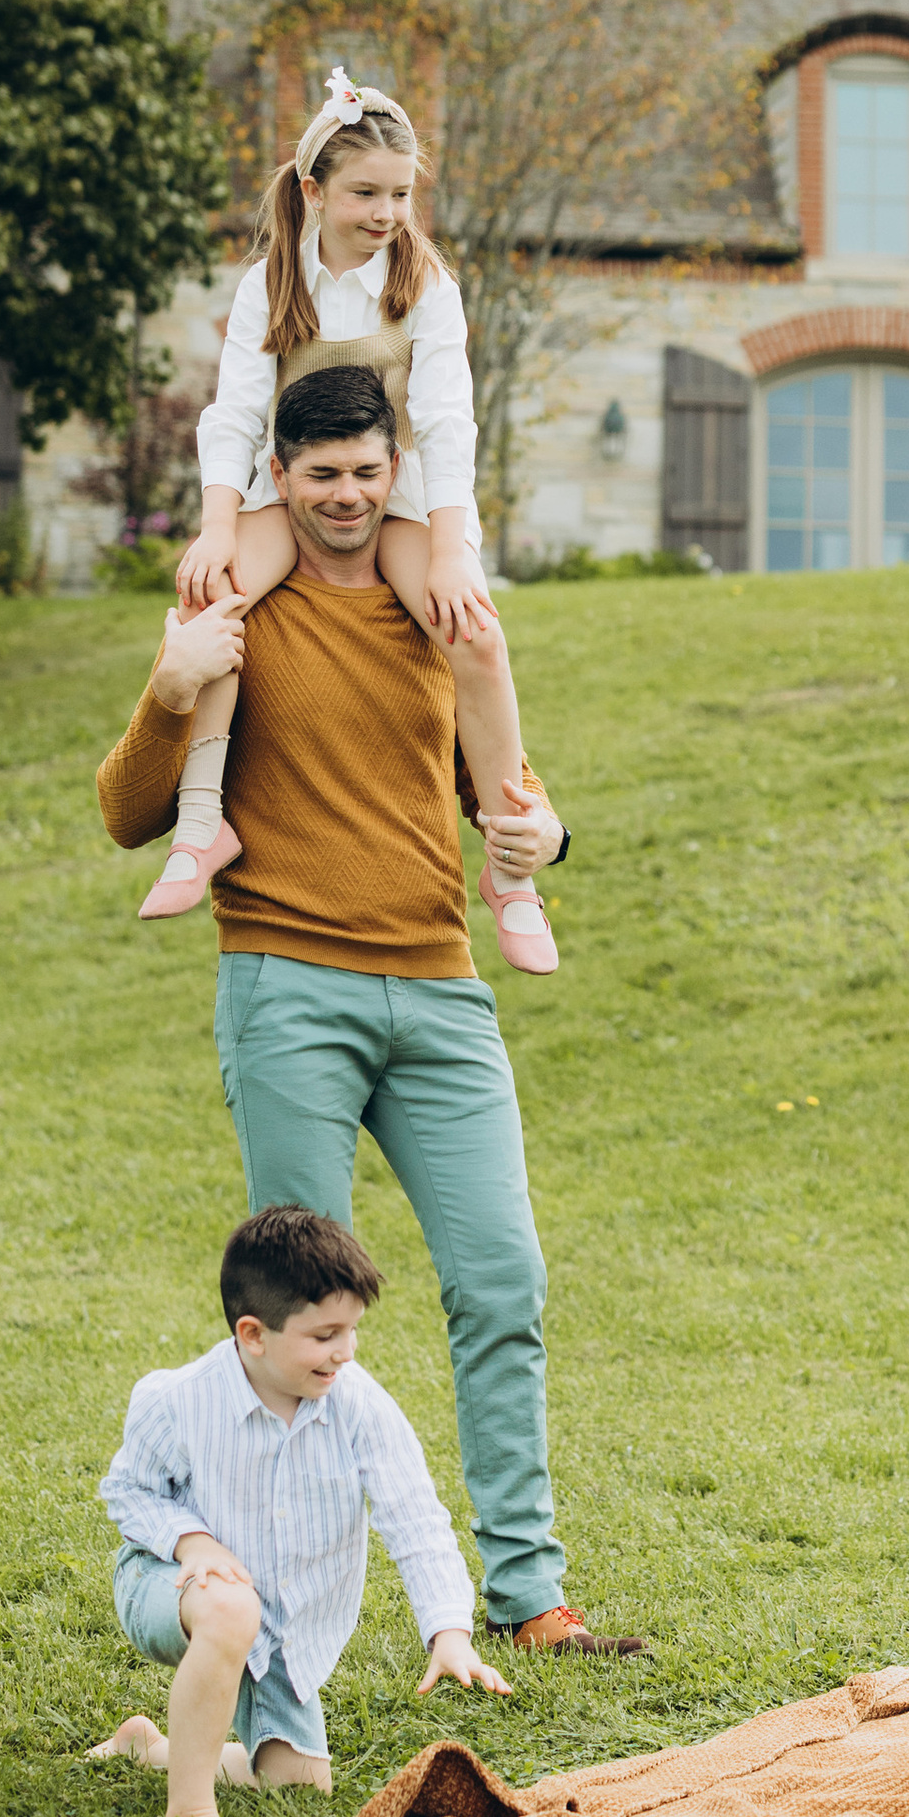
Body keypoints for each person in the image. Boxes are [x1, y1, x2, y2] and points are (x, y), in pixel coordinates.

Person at [94, 359, 643, 1660]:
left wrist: (546, 838)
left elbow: (507, 791)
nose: (346, 496)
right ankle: (281, 1596)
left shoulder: (429, 607)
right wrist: (174, 684)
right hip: (288, 988)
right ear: (280, 478)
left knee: (502, 1277)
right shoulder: (243, 609)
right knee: (303, 1315)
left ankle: (526, 1595)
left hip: (441, 996)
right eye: (321, 474)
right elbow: (127, 812)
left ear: (397, 472)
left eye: (366, 471)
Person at [138, 67, 556, 979]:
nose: (386, 212)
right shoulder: (270, 283)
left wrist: (450, 552)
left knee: (476, 639)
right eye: (366, 193)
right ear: (313, 191)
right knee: (217, 605)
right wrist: (217, 527)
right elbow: (235, 414)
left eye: (401, 194)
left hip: (396, 495)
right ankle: (203, 824)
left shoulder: (426, 284)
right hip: (287, 490)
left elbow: (447, 425)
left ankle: (513, 864)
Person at [87, 1202, 511, 1817]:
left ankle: (148, 1745)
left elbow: (416, 1518)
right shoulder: (177, 1400)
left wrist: (449, 1631)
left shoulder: (360, 1406)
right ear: (253, 1334)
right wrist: (191, 1541)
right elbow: (129, 1493)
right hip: (170, 1579)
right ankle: (191, 1815)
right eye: (323, 1336)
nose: (344, 1353)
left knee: (297, 1783)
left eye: (352, 1331)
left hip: (282, 1637)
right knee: (231, 1607)